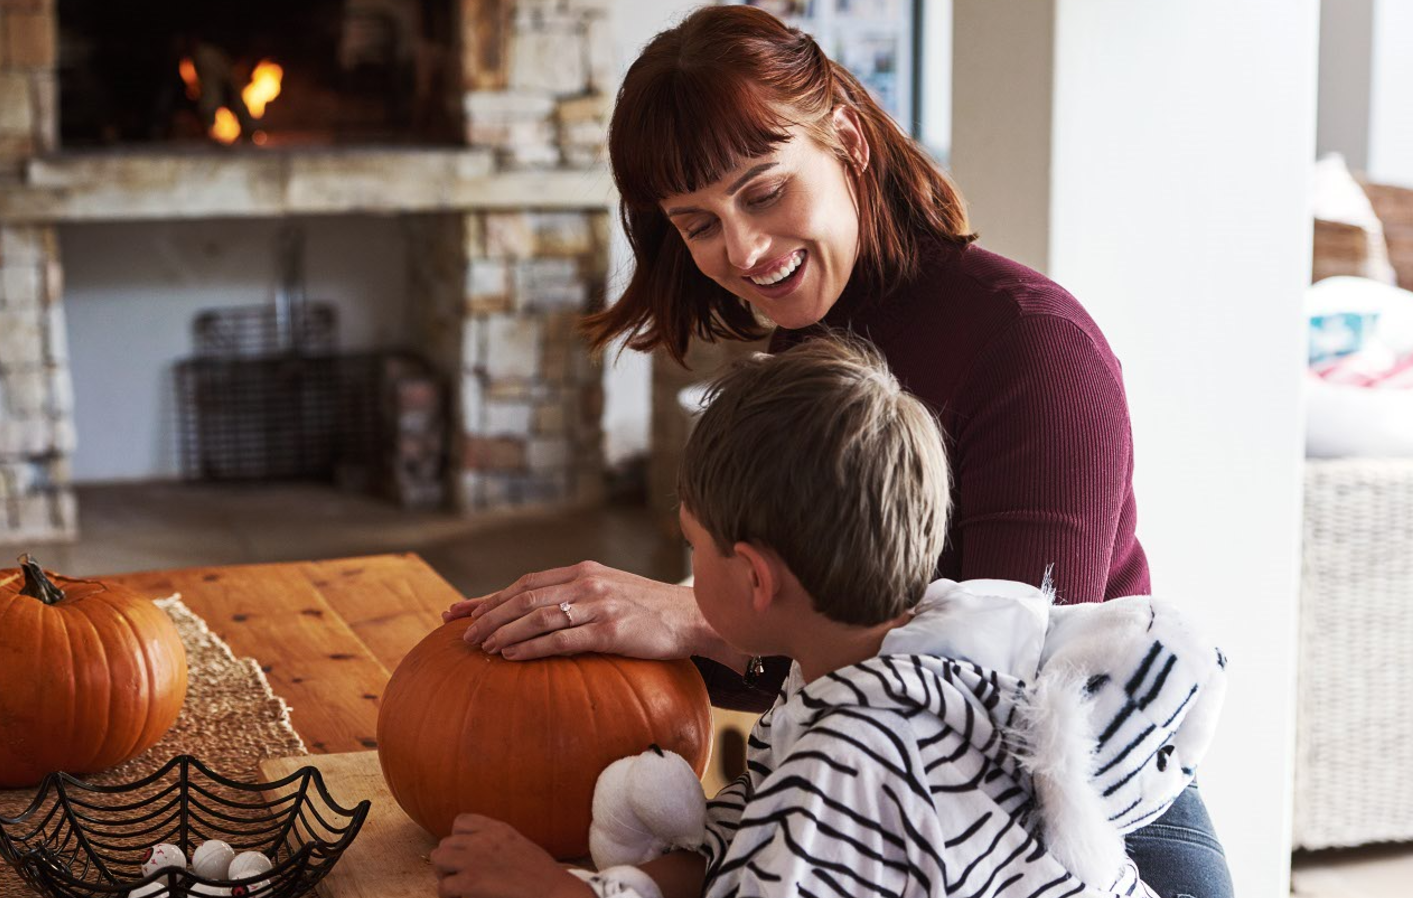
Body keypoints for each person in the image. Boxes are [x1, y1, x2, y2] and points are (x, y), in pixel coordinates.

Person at [442, 6, 1232, 896]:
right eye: (697, 224)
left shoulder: (1033, 347)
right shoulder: (809, 339)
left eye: (763, 191)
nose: (739, 250)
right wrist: (646, 636)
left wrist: (692, 618)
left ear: (845, 138)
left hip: (1099, 840)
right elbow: (817, 658)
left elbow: (1001, 706)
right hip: (916, 821)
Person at [431, 338, 1226, 898]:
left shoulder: (854, 749)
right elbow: (757, 849)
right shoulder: (912, 673)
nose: (682, 571)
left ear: (752, 579)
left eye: (692, 546)